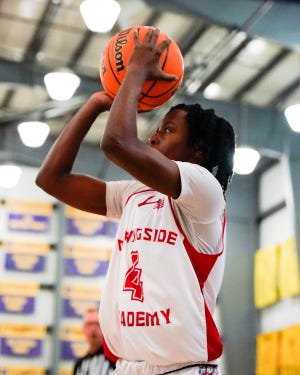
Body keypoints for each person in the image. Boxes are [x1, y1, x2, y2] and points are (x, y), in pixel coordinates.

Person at [36, 27, 235, 375]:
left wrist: (136, 70)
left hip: (184, 368)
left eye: (169, 129)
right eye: (158, 126)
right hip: (128, 367)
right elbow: (52, 179)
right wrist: (96, 103)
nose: (155, 133)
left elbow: (117, 142)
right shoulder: (135, 194)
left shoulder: (205, 192)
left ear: (198, 150)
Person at [73, 307, 115, 375]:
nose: (93, 329)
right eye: (89, 324)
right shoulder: (80, 364)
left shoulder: (116, 362)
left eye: (97, 324)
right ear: (83, 328)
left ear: (104, 328)